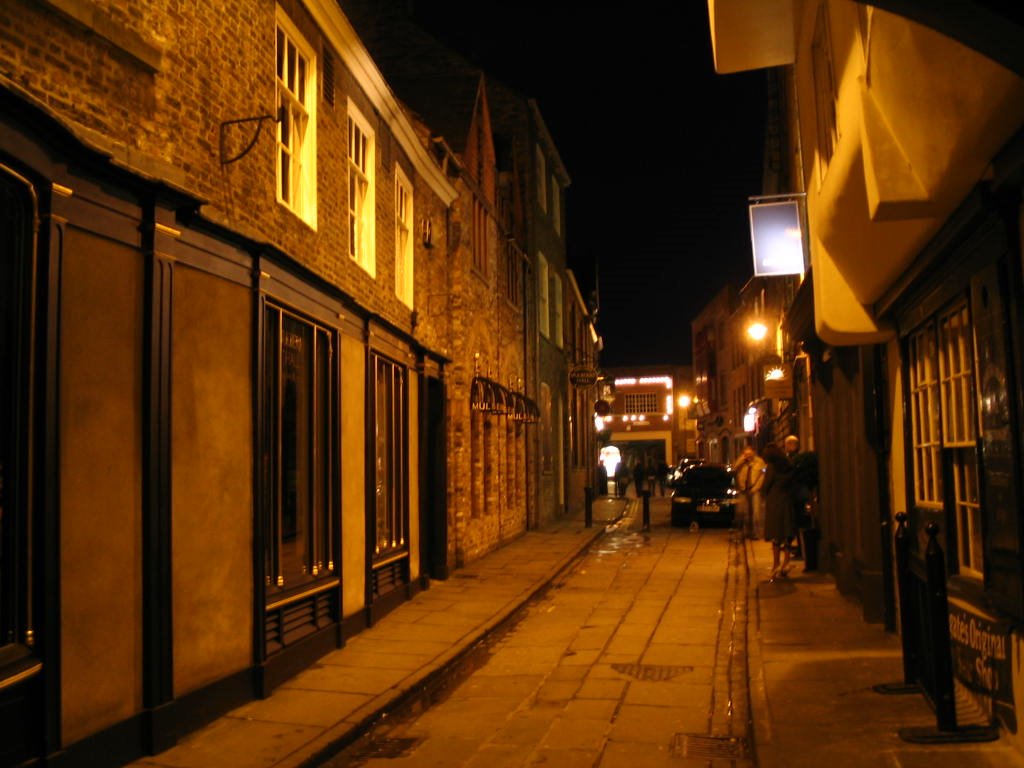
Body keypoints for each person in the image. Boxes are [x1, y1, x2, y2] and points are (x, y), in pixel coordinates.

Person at [761, 442, 796, 581]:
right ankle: (786, 563)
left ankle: (776, 564)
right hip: (787, 500)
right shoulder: (788, 465)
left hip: (775, 501)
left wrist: (763, 492)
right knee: (787, 533)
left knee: (776, 535)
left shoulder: (771, 467)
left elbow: (766, 485)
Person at [733, 445, 765, 539]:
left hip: (755, 489)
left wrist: (757, 487)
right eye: (746, 454)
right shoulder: (741, 463)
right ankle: (746, 531)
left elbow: (763, 474)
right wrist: (741, 460)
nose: (748, 456)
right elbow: (734, 468)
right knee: (743, 512)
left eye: (749, 454)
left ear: (753, 453)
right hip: (743, 490)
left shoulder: (760, 462)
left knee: (756, 512)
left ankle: (756, 533)